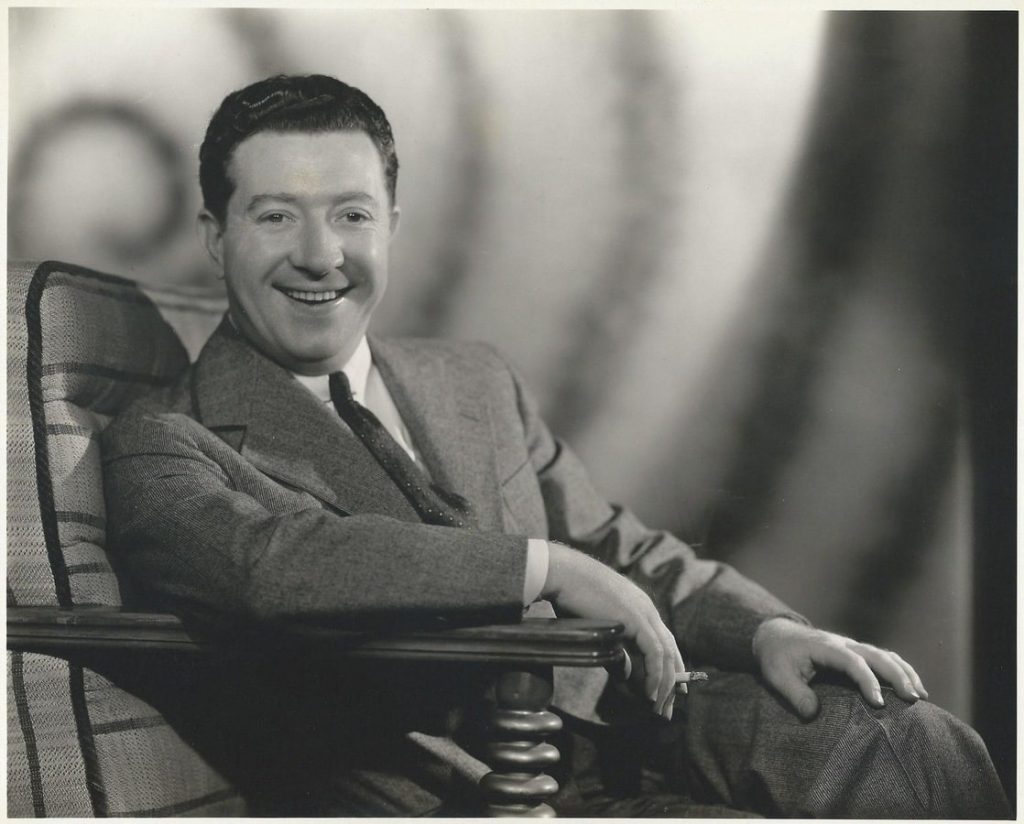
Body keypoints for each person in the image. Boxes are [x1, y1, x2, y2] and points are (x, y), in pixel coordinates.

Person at [101, 73, 1010, 817]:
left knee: (909, 741)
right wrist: (544, 568)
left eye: (351, 215)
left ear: (392, 227)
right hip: (467, 785)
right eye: (275, 217)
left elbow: (618, 544)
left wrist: (767, 629)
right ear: (215, 238)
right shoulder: (162, 443)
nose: (319, 254)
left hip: (642, 718)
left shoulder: (471, 378)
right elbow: (277, 567)